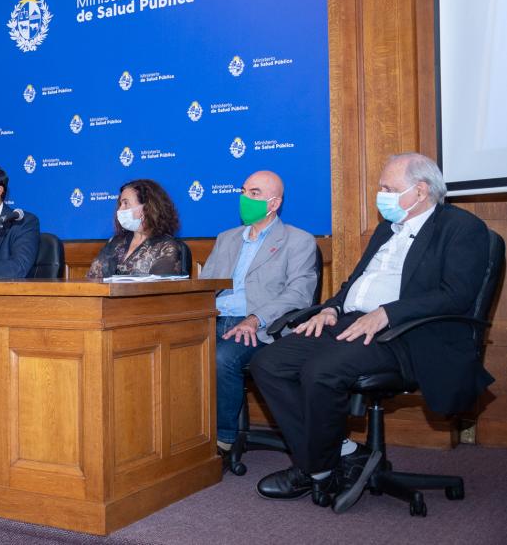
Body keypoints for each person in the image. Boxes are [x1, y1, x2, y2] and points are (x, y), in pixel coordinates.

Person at [250, 153, 494, 503]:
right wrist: (332, 308)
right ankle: (341, 453)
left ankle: (316, 471)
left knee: (321, 371)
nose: (381, 194)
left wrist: (387, 313)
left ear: (421, 191)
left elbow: (456, 295)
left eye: (388, 188)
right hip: (351, 322)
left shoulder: (460, 228)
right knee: (267, 363)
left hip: (405, 333)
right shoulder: (386, 229)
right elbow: (356, 282)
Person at [198, 170, 317, 461]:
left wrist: (255, 318)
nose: (244, 198)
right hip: (214, 318)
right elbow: (205, 286)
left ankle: (222, 440)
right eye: (243, 191)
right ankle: (186, 434)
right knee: (172, 350)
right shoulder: (226, 238)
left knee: (222, 357)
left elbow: (299, 294)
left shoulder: (297, 240)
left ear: (273, 204)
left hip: (261, 326)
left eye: (254, 193)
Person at [86, 179, 184, 278]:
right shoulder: (115, 242)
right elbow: (92, 279)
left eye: (126, 203)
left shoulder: (166, 247)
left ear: (146, 208)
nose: (120, 209)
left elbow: (160, 289)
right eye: (120, 204)